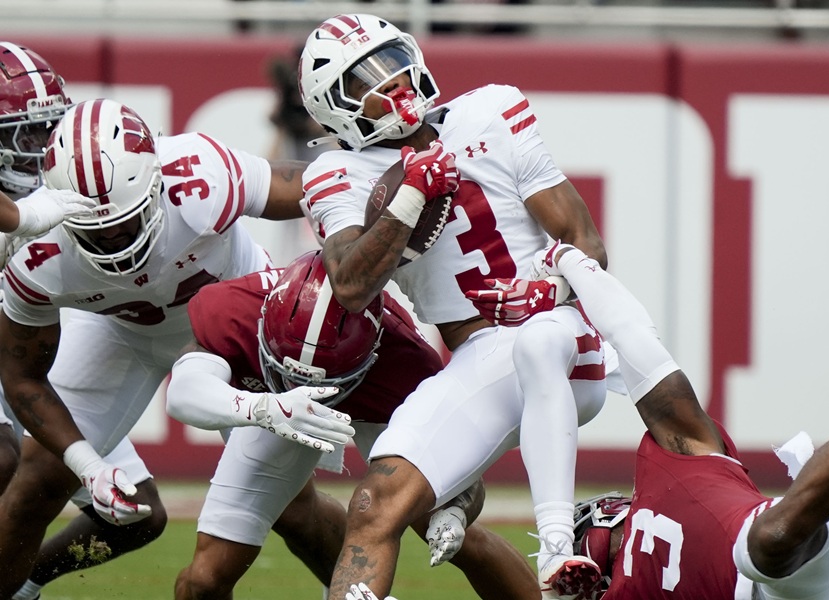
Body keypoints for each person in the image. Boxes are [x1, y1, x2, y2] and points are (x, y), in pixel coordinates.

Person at [468, 241, 829, 598]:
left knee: (762, 546)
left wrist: (572, 262)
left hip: (801, 554)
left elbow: (635, 341)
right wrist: (445, 520)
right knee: (761, 548)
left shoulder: (669, 460)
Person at [298, 13, 609, 599]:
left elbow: (586, 244)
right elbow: (351, 286)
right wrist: (410, 195)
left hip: (562, 334)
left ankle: (559, 544)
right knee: (374, 506)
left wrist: (550, 289)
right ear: (334, 108)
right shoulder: (337, 173)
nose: (390, 82)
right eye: (363, 78)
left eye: (393, 62)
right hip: (482, 358)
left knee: (545, 341)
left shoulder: (490, 110)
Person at [0, 97, 311, 598]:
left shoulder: (200, 175)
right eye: (95, 231)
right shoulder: (37, 251)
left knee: (293, 508)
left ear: (158, 184)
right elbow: (22, 379)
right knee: (38, 479)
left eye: (124, 221)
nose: (113, 241)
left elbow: (314, 188)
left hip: (233, 325)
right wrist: (89, 467)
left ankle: (360, 587)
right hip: (120, 332)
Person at [166, 250, 540, 599]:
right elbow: (183, 392)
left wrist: (456, 511)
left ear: (371, 352)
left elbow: (465, 478)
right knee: (205, 580)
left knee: (448, 531)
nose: (302, 389)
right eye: (287, 370)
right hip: (273, 409)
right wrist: (263, 407)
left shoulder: (405, 364)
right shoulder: (237, 307)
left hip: (371, 407)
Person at [0, 41, 177, 600]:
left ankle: (23, 586)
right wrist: (19, 221)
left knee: (139, 514)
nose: (40, 147)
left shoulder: (73, 189)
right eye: (23, 134)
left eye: (47, 128)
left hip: (26, 349)